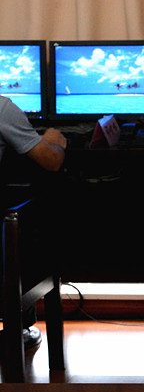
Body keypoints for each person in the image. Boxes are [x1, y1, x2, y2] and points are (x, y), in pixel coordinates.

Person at [0, 95, 67, 349]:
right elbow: (51, 161)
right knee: (28, 226)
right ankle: (20, 324)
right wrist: (55, 142)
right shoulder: (3, 108)